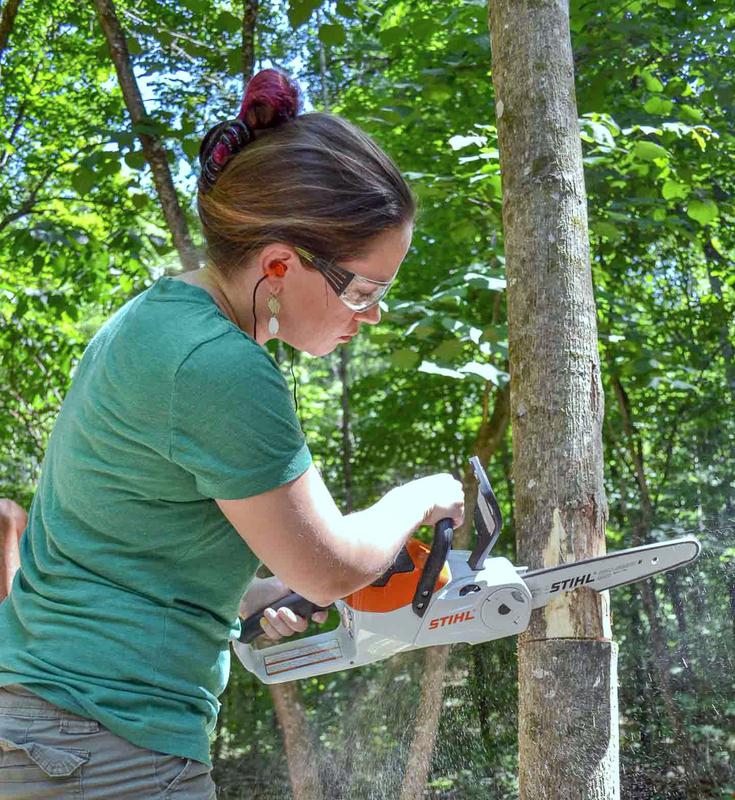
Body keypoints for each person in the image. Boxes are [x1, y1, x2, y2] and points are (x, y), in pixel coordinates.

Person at [0, 68, 464, 798]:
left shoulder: (153, 320)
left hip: (56, 724)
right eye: (364, 290)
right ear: (279, 264)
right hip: (107, 739)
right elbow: (333, 565)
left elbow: (124, 552)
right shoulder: (218, 366)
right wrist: (421, 495)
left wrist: (250, 596)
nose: (370, 315)